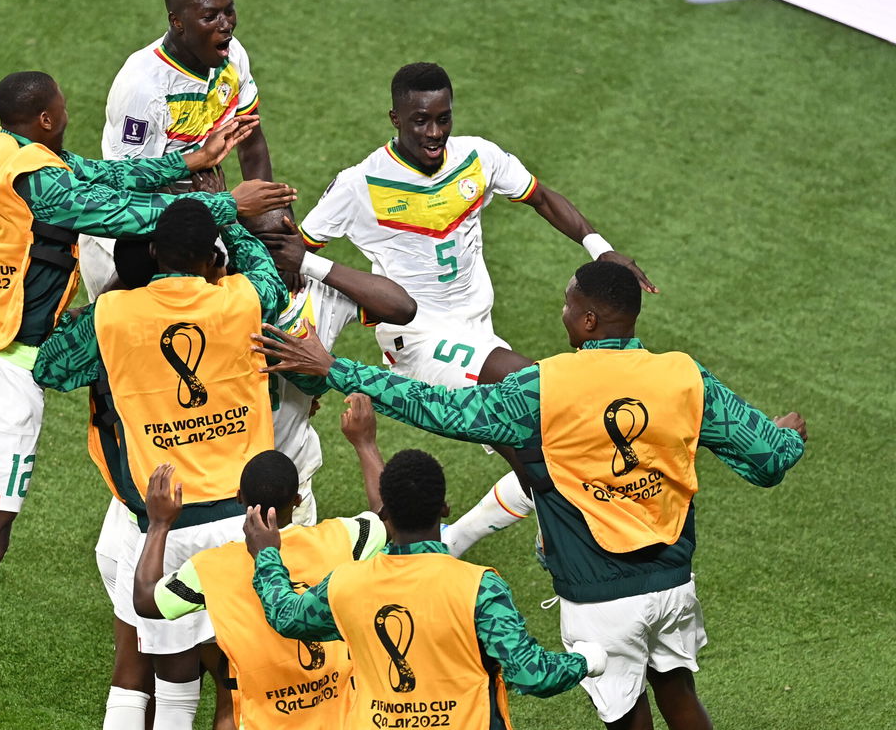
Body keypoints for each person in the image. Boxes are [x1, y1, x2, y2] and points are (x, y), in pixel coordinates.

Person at [0, 71, 295, 729]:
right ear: (44, 119)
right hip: (3, 372)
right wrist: (224, 207)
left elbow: (99, 178)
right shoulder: (44, 183)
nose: (67, 117)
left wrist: (190, 160)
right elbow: (107, 210)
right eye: (62, 112)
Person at [252, 260, 808, 730]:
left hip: (601, 596)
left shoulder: (541, 388)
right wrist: (786, 434)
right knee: (679, 693)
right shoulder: (684, 375)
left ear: (589, 319)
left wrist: (336, 370)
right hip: (675, 586)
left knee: (628, 714)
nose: (562, 312)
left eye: (568, 305)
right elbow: (768, 460)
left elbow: (442, 409)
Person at [298, 61, 655, 553]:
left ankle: (455, 542)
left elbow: (543, 198)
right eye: (420, 120)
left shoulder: (476, 158)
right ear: (395, 118)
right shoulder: (360, 184)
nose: (434, 132)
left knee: (533, 444)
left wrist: (600, 247)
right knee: (530, 386)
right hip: (417, 336)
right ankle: (576, 536)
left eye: (443, 118)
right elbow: (297, 249)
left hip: (477, 327)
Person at [34, 197, 286, 730]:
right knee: (242, 679)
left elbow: (51, 368)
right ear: (209, 257)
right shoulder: (242, 299)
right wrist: (229, 219)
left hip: (164, 521)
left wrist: (113, 296)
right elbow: (270, 276)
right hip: (247, 524)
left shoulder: (114, 316)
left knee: (169, 678)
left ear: (153, 250)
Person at [245, 447, 607, 729]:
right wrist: (587, 661)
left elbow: (285, 616)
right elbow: (532, 674)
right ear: (445, 507)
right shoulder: (479, 588)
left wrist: (267, 556)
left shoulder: (345, 584)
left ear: (384, 512)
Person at [131, 396, 388, 729]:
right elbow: (386, 514)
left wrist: (160, 524)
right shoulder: (344, 538)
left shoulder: (210, 570)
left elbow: (146, 600)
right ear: (297, 501)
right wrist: (365, 443)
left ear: (239, 497)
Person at [79, 0, 272, 299]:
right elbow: (129, 186)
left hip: (197, 219)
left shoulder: (232, 56)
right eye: (210, 16)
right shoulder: (143, 88)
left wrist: (270, 222)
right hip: (132, 235)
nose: (226, 24)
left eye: (228, 11)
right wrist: (221, 205)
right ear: (178, 22)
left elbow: (252, 141)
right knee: (122, 334)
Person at [244, 207, 416, 525]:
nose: (269, 257)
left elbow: (402, 307)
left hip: (290, 474)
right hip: (221, 478)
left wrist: (309, 262)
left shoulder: (318, 293)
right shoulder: (221, 294)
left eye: (279, 245)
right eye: (260, 245)